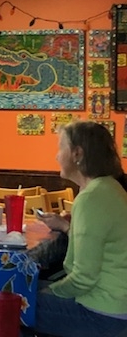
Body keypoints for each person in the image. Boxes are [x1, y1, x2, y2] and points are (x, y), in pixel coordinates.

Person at [30, 121, 127, 337]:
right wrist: (66, 227)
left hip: (103, 314)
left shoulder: (92, 197)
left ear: (77, 153)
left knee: (13, 302)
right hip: (118, 307)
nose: (56, 156)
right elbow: (96, 247)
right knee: (28, 290)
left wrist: (47, 291)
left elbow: (83, 278)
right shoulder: (110, 188)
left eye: (60, 148)